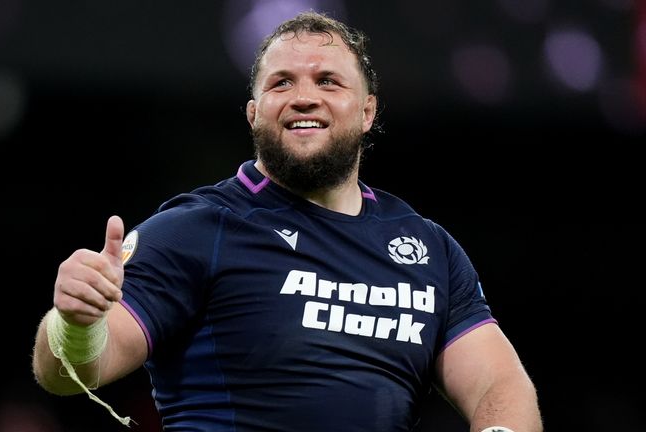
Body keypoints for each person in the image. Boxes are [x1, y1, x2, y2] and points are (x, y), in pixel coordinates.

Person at [32, 11, 543, 432]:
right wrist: (77, 322)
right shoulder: (197, 228)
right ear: (254, 113)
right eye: (282, 83)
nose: (304, 96)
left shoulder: (429, 249)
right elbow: (72, 372)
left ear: (367, 111)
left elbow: (500, 384)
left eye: (327, 81)